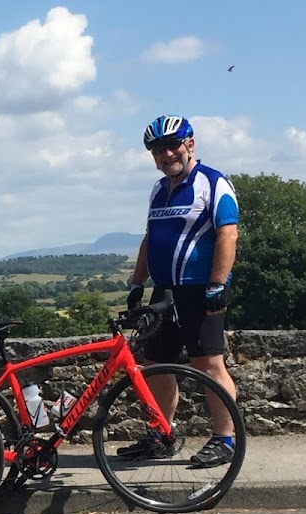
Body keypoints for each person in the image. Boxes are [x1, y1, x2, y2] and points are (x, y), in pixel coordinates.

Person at [121, 115, 240, 468]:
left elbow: (228, 234)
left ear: (190, 143)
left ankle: (225, 439)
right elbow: (150, 238)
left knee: (208, 364)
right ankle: (163, 435)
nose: (166, 153)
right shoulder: (159, 190)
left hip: (200, 290)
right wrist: (136, 282)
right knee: (156, 364)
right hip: (164, 291)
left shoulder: (213, 183)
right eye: (158, 149)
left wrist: (218, 284)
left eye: (173, 145)